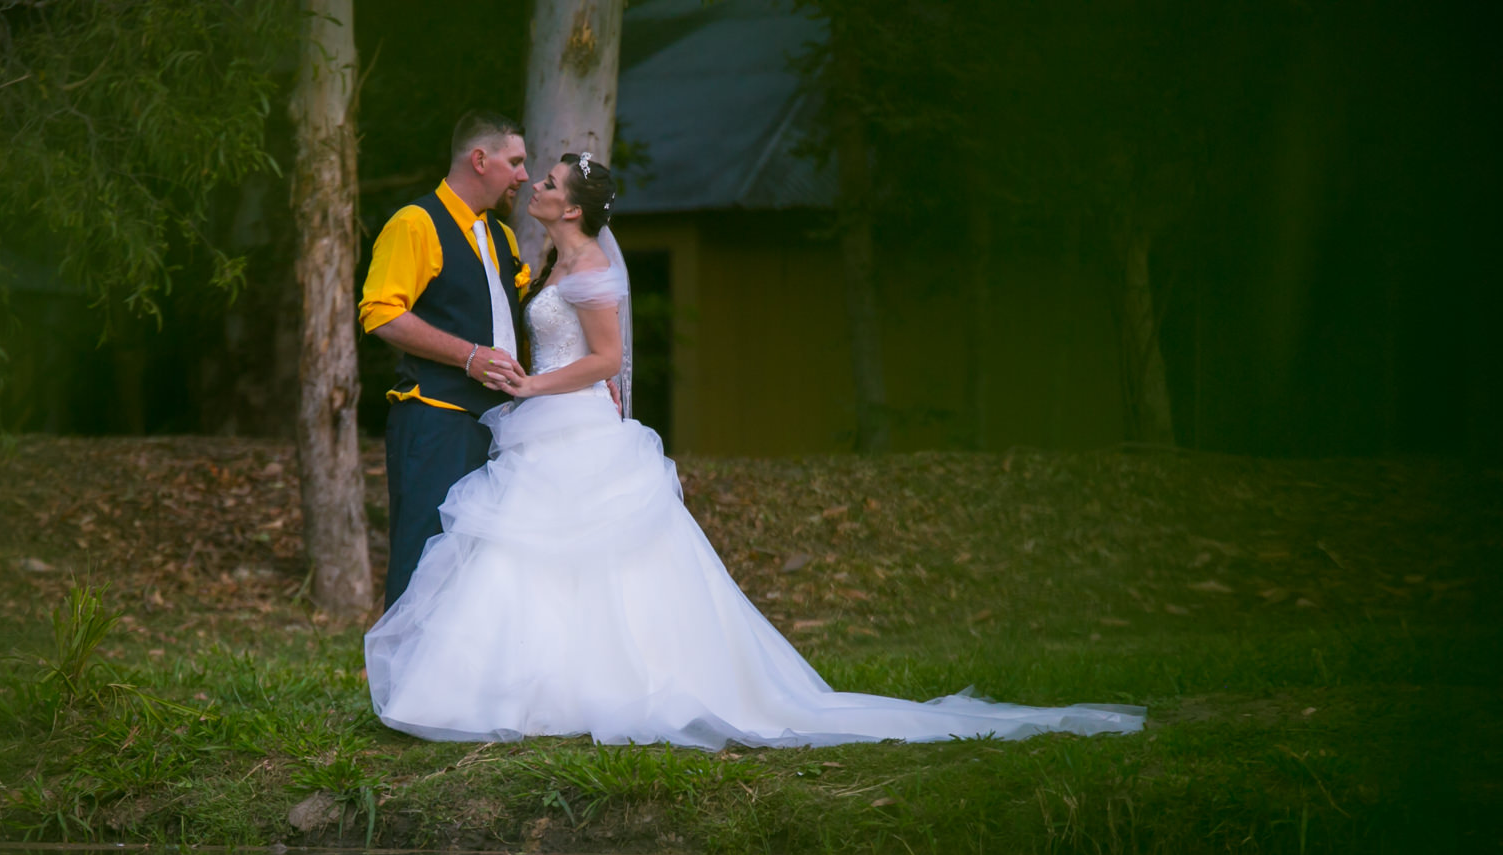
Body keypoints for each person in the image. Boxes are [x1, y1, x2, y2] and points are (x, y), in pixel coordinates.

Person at [364, 154, 1144, 748]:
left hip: (573, 425)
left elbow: (607, 359)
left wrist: (536, 385)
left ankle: (602, 686)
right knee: (533, 558)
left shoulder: (593, 269)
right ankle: (517, 686)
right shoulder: (552, 260)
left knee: (598, 559)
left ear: (570, 206)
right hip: (547, 429)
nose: (535, 184)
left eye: (549, 181)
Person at [359, 110, 531, 607]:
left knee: (481, 577)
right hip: (436, 421)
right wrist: (469, 356)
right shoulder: (415, 223)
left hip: (500, 429)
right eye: (514, 162)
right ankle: (402, 662)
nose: (523, 176)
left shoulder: (502, 237)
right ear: (479, 159)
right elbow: (380, 314)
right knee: (422, 566)